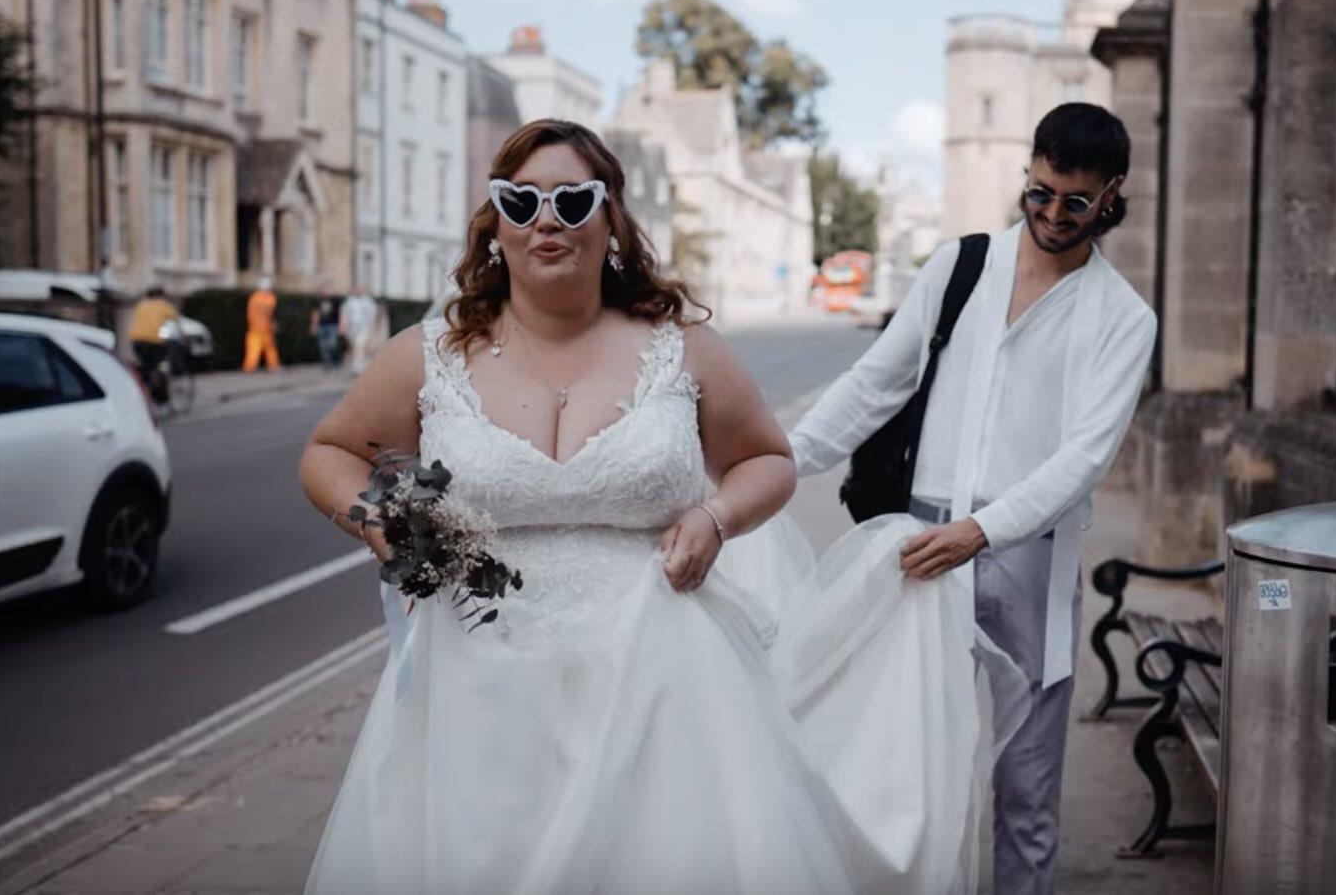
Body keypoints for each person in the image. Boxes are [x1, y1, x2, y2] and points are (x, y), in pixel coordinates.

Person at [298, 119, 1025, 894]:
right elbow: (329, 454)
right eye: (522, 200)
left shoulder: (679, 347)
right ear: (494, 224)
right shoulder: (431, 352)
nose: (547, 219)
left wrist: (716, 518)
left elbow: (767, 461)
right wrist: (390, 528)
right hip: (474, 684)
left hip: (659, 674)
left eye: (573, 201)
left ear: (610, 217)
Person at [789, 103, 1159, 895]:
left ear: (1113, 194)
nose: (1052, 216)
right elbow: (875, 384)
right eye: (1039, 193)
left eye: (1075, 203)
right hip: (921, 543)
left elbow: (1083, 458)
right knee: (911, 766)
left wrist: (983, 532)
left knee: (1026, 786)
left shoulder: (1125, 318)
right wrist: (779, 464)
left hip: (1030, 556)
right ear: (1026, 176)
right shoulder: (962, 265)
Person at [127, 286, 180, 399]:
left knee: (146, 364)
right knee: (164, 362)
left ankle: (145, 385)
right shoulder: (164, 306)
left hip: (137, 340)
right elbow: (174, 323)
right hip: (155, 341)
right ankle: (162, 384)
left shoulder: (141, 305)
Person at [339, 285, 380, 374]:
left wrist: (373, 328)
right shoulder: (349, 301)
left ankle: (357, 367)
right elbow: (344, 314)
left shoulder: (368, 301)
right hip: (351, 328)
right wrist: (342, 326)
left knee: (359, 345)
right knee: (354, 347)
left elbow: (373, 315)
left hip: (364, 328)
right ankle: (360, 364)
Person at [242, 277, 281, 371]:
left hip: (256, 327)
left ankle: (250, 367)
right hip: (263, 327)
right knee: (268, 348)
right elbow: (272, 313)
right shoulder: (270, 298)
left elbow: (250, 313)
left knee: (255, 348)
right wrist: (273, 323)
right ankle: (273, 365)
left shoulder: (254, 297)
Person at [311, 284, 344, 370]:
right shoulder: (318, 300)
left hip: (332, 325)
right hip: (322, 325)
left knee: (332, 344)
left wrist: (341, 325)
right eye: (325, 289)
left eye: (329, 289)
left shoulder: (336, 300)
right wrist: (314, 325)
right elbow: (316, 314)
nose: (327, 291)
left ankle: (336, 360)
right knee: (322, 346)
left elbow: (340, 313)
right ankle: (327, 364)